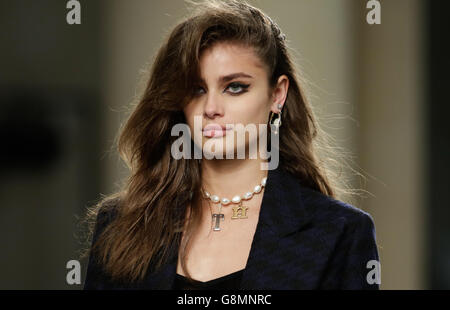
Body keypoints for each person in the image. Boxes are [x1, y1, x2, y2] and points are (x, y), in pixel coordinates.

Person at [83, 0, 380, 290]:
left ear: (277, 94)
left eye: (235, 87)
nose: (211, 107)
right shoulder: (121, 225)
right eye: (196, 89)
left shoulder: (338, 232)